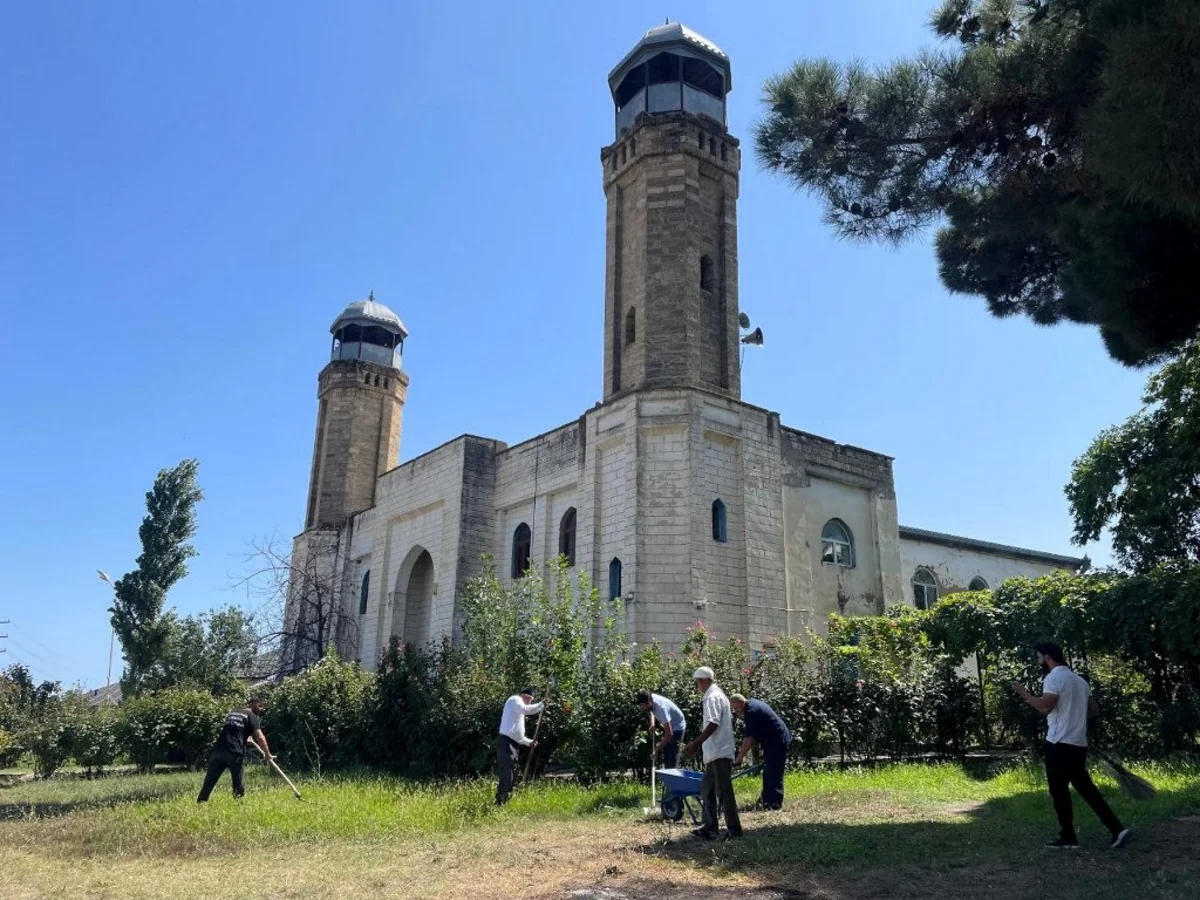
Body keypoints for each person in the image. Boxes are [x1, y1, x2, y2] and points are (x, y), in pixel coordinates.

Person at [1011, 642, 1130, 849]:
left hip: (1058, 744)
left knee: (1059, 792)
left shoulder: (1053, 678)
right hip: (1078, 743)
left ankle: (1069, 837)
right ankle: (1115, 829)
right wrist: (1074, 717)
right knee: (1086, 788)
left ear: (1048, 657)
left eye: (1039, 656)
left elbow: (1045, 707)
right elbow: (1093, 710)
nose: (1038, 660)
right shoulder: (1080, 681)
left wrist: (1023, 693)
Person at [682, 666, 743, 840]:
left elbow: (713, 723)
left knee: (724, 791)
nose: (697, 686)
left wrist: (695, 743)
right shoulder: (716, 695)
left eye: (697, 682)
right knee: (706, 789)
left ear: (703, 681)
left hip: (719, 751)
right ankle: (710, 828)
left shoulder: (713, 697)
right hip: (714, 752)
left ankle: (734, 830)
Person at [197, 696, 272, 802]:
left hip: (218, 750)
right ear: (250, 704)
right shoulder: (252, 715)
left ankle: (201, 803)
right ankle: (239, 805)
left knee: (209, 781)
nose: (261, 708)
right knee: (238, 782)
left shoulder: (234, 712)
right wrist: (267, 754)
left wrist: (246, 738)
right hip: (234, 752)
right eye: (259, 705)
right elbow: (260, 737)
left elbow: (235, 730)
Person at [731, 693, 791, 810]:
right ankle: (766, 799)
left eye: (736, 708)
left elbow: (749, 740)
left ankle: (773, 804)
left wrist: (739, 759)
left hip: (777, 740)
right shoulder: (751, 705)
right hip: (771, 741)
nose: (736, 711)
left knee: (773, 772)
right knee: (769, 771)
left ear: (742, 703)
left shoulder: (751, 712)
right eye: (733, 709)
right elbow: (752, 737)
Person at [495, 686, 544, 806]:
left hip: (513, 744)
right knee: (507, 773)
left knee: (512, 774)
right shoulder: (515, 700)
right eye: (529, 699)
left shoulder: (518, 714)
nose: (529, 702)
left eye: (531, 701)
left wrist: (529, 742)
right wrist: (541, 705)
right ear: (523, 696)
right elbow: (527, 709)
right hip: (506, 743)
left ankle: (505, 801)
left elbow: (519, 737)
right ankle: (500, 802)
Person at [636, 688, 686, 768]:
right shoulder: (650, 699)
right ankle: (668, 774)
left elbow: (669, 734)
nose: (644, 708)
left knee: (671, 756)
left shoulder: (662, 709)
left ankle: (672, 775)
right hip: (670, 725)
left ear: (649, 701)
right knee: (666, 749)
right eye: (642, 706)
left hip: (678, 727)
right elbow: (650, 710)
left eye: (645, 706)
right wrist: (652, 723)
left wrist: (656, 750)